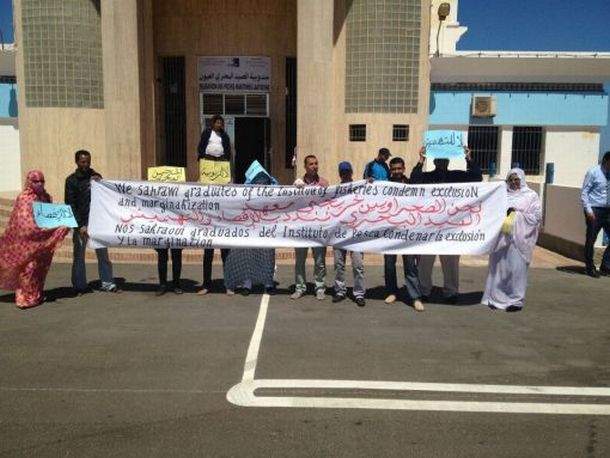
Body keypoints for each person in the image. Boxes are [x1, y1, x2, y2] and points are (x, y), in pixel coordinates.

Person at [410, 145, 482, 303]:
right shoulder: (427, 177)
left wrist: (468, 158)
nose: (441, 163)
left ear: (448, 161)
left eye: (444, 160)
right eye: (439, 160)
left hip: (451, 228)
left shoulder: (457, 176)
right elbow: (414, 181)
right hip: (430, 227)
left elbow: (477, 178)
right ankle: (424, 291)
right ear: (434, 161)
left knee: (451, 263)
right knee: (425, 262)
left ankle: (451, 292)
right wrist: (421, 160)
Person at [0, 171, 70, 309]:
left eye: (42, 181)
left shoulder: (45, 197)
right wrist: (45, 230)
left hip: (41, 241)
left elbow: (49, 217)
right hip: (26, 243)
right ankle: (24, 298)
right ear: (29, 181)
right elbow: (23, 223)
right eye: (36, 181)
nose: (39, 184)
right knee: (28, 269)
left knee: (39, 269)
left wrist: (63, 223)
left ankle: (35, 295)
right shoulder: (24, 198)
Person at [482, 168, 542, 312]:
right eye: (511, 180)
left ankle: (515, 300)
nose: (514, 182)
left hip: (520, 240)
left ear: (522, 180)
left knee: (516, 270)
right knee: (499, 269)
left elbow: (536, 217)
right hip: (502, 239)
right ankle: (496, 299)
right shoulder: (502, 195)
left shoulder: (531, 196)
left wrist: (516, 214)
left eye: (517, 180)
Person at [65, 150, 121, 294]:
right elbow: (70, 204)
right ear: (77, 162)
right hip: (81, 224)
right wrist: (80, 225)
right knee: (79, 257)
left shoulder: (95, 178)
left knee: (103, 255)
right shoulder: (71, 181)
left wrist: (98, 181)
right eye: (83, 162)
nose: (86, 164)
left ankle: (107, 283)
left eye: (88, 162)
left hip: (97, 223)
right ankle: (79, 285)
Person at [223, 162, 277, 296]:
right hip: (249, 228)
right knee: (247, 255)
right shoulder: (243, 192)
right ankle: (247, 284)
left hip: (266, 228)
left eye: (263, 179)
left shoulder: (274, 190)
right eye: (257, 180)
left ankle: (268, 282)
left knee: (268, 255)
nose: (261, 183)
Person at [383, 157, 425, 312]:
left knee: (410, 266)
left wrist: (420, 161)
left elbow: (418, 176)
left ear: (404, 168)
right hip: (390, 233)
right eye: (393, 169)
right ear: (390, 170)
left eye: (399, 169)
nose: (396, 172)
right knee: (389, 265)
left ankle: (414, 297)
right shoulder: (384, 185)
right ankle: (391, 292)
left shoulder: (411, 184)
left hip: (408, 232)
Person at [196, 114, 232, 295]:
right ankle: (206, 284)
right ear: (213, 123)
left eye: (221, 122)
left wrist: (227, 171)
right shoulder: (206, 133)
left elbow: (228, 152)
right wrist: (202, 167)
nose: (219, 124)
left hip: (222, 222)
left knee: (226, 253)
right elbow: (201, 149)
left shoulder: (225, 136)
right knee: (208, 254)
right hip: (209, 224)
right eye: (217, 122)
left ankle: (228, 284)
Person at [292, 154, 329, 300]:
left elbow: (330, 204)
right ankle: (300, 287)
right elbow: (291, 204)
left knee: (319, 261)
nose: (314, 166)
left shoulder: (324, 183)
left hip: (318, 229)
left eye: (316, 163)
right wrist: (295, 189)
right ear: (305, 166)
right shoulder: (298, 183)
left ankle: (319, 287)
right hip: (301, 229)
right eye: (311, 164)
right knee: (300, 260)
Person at [332, 161, 366, 307]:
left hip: (356, 234)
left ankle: (359, 293)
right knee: (339, 264)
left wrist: (369, 183)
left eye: (347, 171)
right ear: (340, 174)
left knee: (358, 265)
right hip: (339, 233)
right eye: (343, 172)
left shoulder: (361, 188)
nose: (345, 174)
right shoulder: (335, 190)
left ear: (351, 172)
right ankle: (340, 291)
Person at [581, 151, 610, 278]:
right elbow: (584, 193)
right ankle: (589, 267)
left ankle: (606, 265)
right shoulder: (593, 172)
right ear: (606, 161)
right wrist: (588, 210)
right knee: (591, 239)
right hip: (595, 210)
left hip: (608, 210)